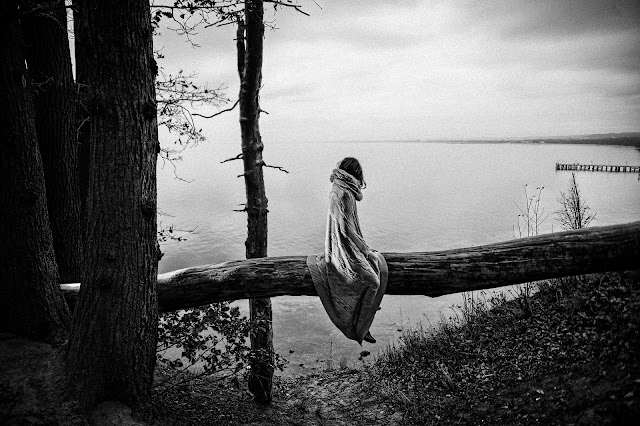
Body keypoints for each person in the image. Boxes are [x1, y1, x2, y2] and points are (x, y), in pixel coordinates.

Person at [307, 157, 388, 344]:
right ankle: (359, 327)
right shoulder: (342, 192)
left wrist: (364, 249)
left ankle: (365, 312)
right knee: (373, 281)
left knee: (377, 264)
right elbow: (346, 229)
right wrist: (364, 249)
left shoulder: (342, 188)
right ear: (356, 174)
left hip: (343, 246)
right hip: (342, 249)